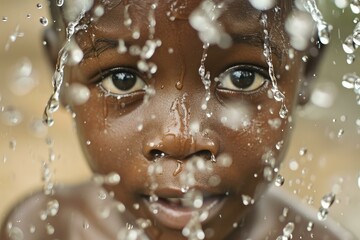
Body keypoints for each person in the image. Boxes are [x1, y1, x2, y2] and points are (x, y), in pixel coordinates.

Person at [0, 0, 355, 239]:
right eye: (122, 80)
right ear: (61, 72)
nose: (181, 137)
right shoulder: (45, 228)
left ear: (306, 68)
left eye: (243, 78)